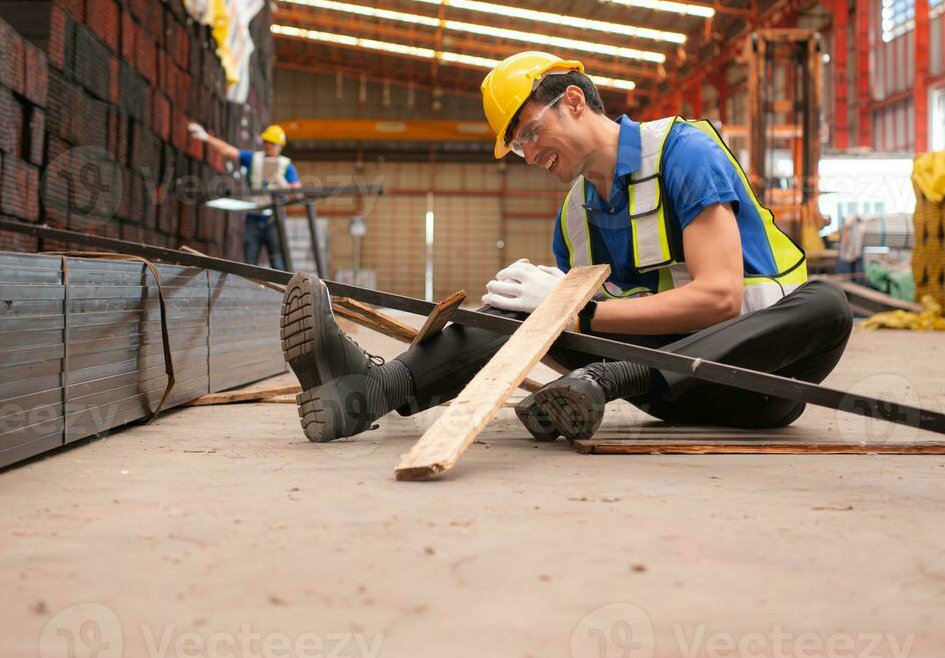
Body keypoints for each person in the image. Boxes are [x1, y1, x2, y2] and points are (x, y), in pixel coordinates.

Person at [277, 51, 852, 444]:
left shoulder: (682, 153)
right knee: (513, 312)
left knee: (827, 303)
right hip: (655, 382)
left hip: (758, 381)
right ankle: (367, 391)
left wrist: (582, 309)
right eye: (517, 147)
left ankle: (604, 383)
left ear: (574, 101)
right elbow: (567, 324)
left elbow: (723, 297)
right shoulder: (576, 214)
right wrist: (540, 306)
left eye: (529, 133)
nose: (529, 155)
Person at [188, 121, 301, 270]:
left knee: (277, 261)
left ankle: (281, 292)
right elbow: (227, 150)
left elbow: (298, 191)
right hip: (254, 216)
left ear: (280, 146)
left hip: (274, 219)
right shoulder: (254, 159)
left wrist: (285, 186)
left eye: (273, 143)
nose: (269, 146)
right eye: (267, 142)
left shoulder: (286, 165)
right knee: (250, 262)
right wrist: (206, 138)